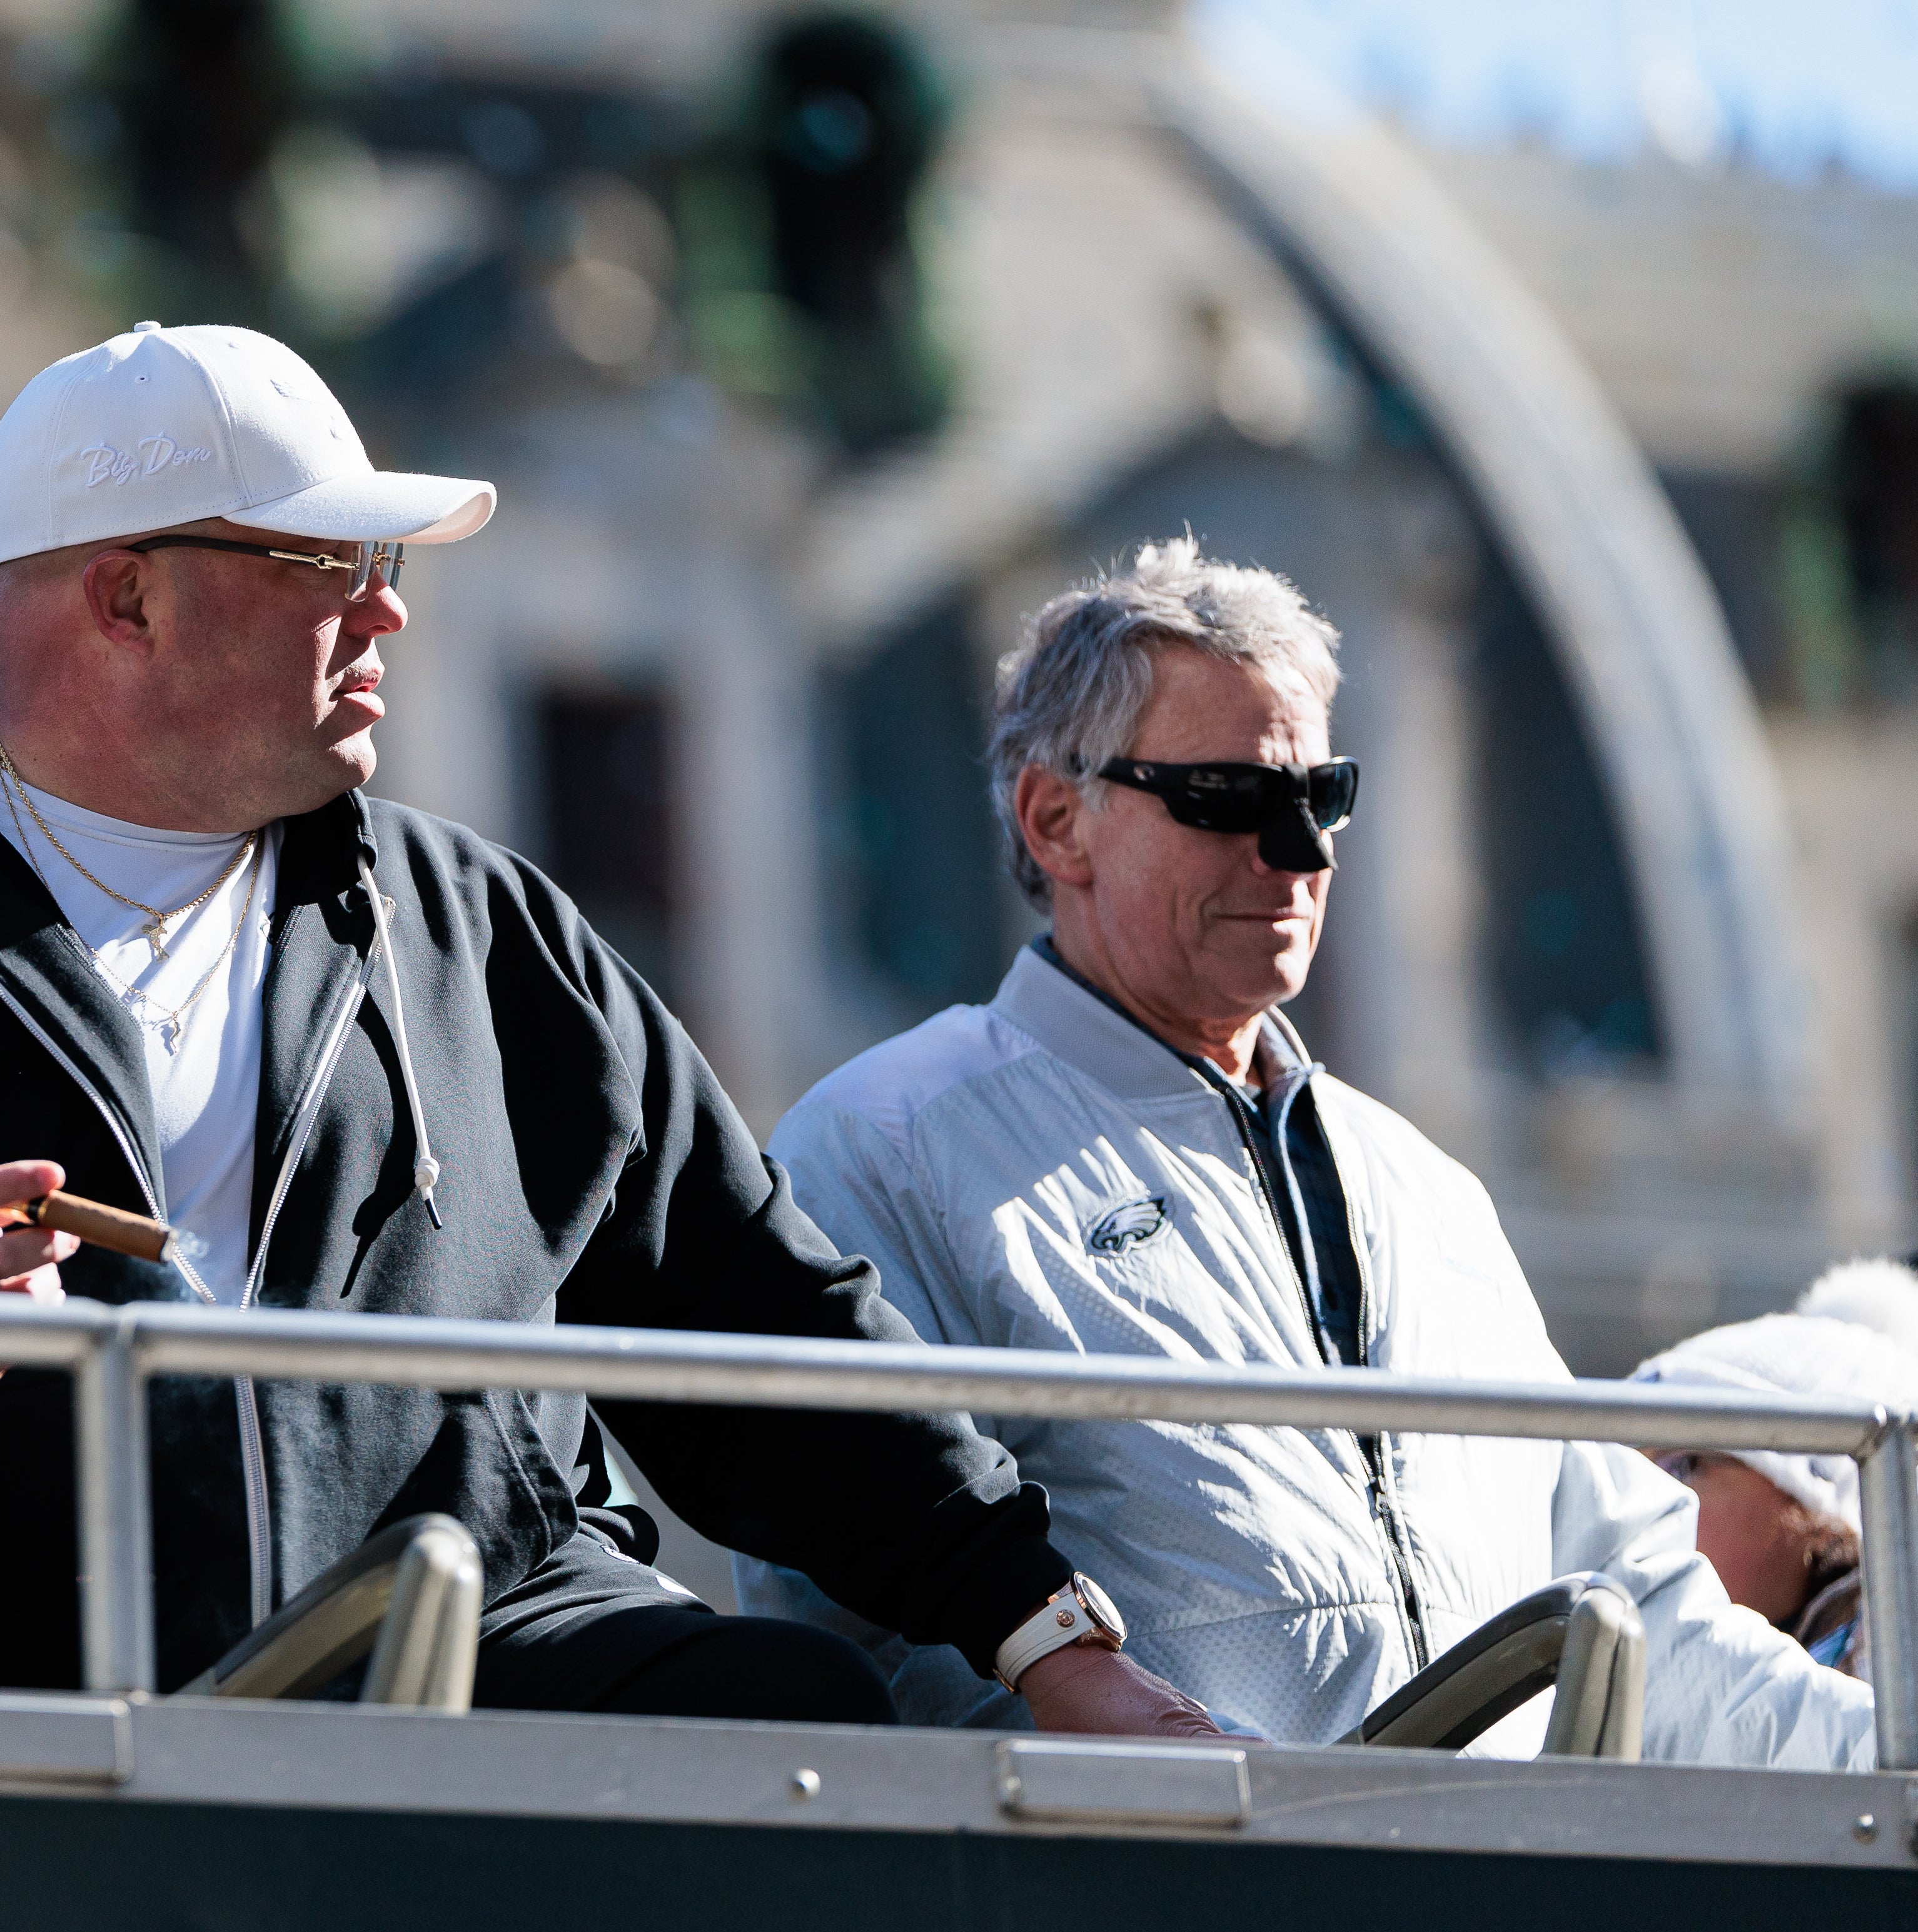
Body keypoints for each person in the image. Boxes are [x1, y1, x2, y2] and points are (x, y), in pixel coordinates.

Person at [0, 321, 1221, 1734]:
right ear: (125, 600)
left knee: (777, 1716)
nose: (390, 608)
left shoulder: (483, 930)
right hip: (2, 1738)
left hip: (454, 1676)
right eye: (333, 559)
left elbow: (760, 1321)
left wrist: (1042, 1634)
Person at [738, 536, 1872, 1766]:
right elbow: (868, 1632)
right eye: (1229, 800)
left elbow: (1644, 1611)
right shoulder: (883, 1149)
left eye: (1319, 798)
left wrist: (1884, 1754)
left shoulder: (1427, 1194)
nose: (1300, 854)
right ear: (1054, 820)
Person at [1631, 1257, 1918, 1678]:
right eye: (1624, 1468)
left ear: (1816, 1505)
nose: (1634, 1498)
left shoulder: (1885, 1668)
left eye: (1683, 1465)